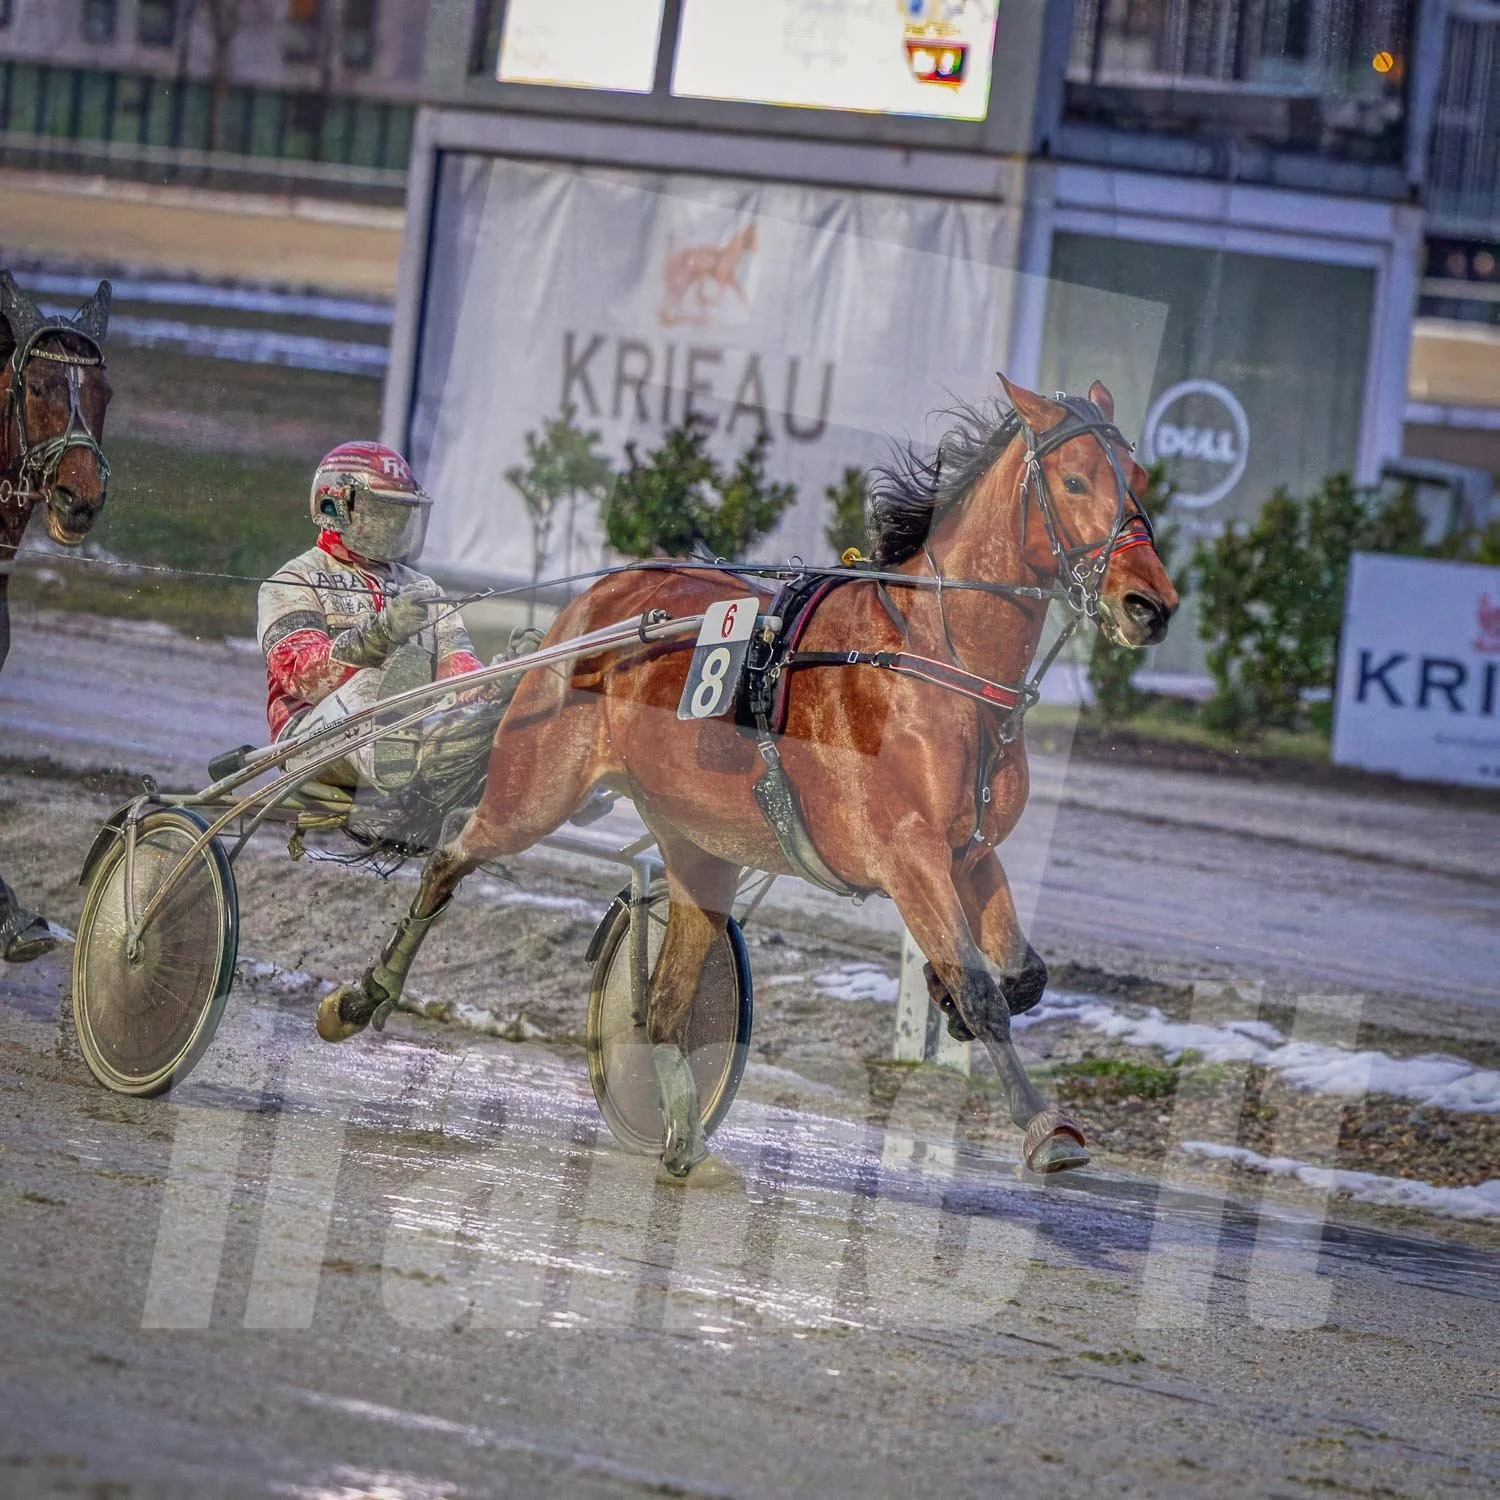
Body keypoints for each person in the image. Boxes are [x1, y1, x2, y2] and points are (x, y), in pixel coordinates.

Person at [257, 441, 488, 793]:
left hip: (417, 721)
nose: (392, 526)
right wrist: (380, 635)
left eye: (399, 515)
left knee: (491, 707)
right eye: (380, 513)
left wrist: (504, 681)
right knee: (368, 686)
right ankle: (410, 765)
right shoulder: (292, 580)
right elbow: (301, 677)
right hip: (307, 738)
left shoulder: (424, 587)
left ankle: (552, 780)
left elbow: (458, 672)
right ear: (334, 507)